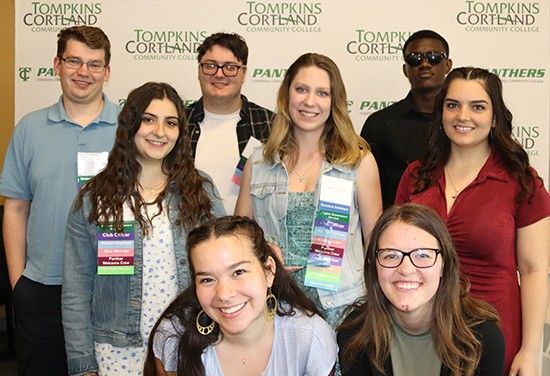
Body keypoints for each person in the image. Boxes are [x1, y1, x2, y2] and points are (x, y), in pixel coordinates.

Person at [62, 82, 226, 375]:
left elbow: (224, 267)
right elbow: (76, 290)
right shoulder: (95, 197)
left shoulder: (201, 191)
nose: (159, 132)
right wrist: (83, 365)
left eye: (170, 123)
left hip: (187, 343)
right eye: (148, 120)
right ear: (130, 125)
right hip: (116, 350)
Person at [395, 67, 550, 375]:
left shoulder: (521, 180)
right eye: (452, 105)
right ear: (441, 114)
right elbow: (394, 253)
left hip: (493, 334)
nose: (462, 115)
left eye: (477, 106)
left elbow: (534, 270)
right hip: (421, 332)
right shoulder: (415, 175)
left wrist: (530, 350)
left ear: (495, 118)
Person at [0, 26, 118, 375]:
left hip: (109, 281)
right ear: (57, 64)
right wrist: (19, 283)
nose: (84, 72)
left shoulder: (129, 128)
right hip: (43, 287)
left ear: (107, 72)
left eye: (95, 64)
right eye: (74, 61)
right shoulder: (29, 128)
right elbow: (16, 208)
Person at [235, 53, 382, 326]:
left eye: (322, 93)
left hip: (343, 308)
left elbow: (376, 243)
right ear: (286, 94)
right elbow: (239, 234)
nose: (309, 101)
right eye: (301, 89)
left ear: (334, 101)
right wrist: (262, 249)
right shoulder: (258, 161)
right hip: (274, 304)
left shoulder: (358, 162)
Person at [145, 215, 337, 376]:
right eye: (207, 279)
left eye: (238, 272)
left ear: (269, 271)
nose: (224, 294)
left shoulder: (309, 337)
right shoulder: (175, 335)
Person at [338, 204, 505, 376]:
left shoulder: (482, 337)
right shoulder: (354, 334)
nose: (406, 269)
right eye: (391, 255)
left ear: (444, 265)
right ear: (374, 265)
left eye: (423, 255)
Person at [360, 30, 452, 208]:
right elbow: (363, 188)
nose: (425, 64)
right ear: (405, 69)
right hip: (396, 229)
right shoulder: (379, 123)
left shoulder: (462, 123)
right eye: (414, 59)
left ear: (447, 65)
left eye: (434, 57)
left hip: (458, 228)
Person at [188, 32, 274, 214]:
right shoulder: (178, 123)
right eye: (210, 66)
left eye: (230, 67)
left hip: (253, 238)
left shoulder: (270, 124)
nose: (219, 74)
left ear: (243, 74)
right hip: (188, 238)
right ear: (198, 71)